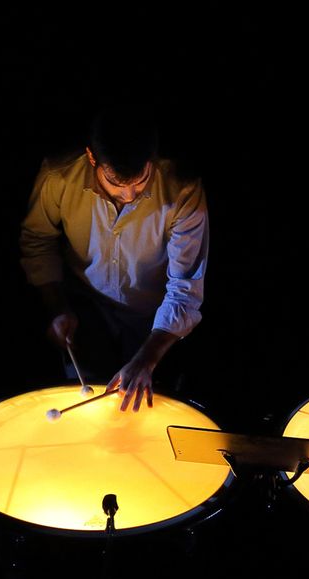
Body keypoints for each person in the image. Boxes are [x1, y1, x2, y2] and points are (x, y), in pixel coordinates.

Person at [20, 112, 209, 412]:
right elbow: (37, 242)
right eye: (115, 183)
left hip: (156, 322)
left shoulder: (182, 189)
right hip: (88, 313)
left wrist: (147, 359)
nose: (129, 195)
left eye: (140, 181)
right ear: (91, 158)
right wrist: (56, 306)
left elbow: (185, 286)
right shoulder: (58, 177)